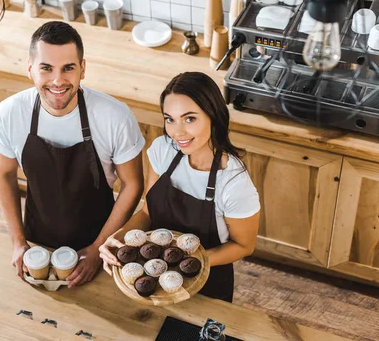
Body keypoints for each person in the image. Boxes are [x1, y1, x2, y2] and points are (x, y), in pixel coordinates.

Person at [0, 21, 145, 288]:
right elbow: (4, 174)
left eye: (68, 68)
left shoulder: (115, 117)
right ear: (30, 69)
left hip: (101, 241)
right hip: (36, 241)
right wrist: (18, 242)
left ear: (82, 69)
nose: (58, 80)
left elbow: (133, 185)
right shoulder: (10, 112)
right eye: (46, 68)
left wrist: (99, 248)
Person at [99, 72, 260, 302]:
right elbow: (148, 212)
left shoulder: (233, 182)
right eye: (170, 119)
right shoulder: (163, 150)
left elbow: (244, 245)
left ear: (213, 116)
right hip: (150, 274)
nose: (177, 132)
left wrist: (192, 264)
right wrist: (117, 238)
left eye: (190, 118)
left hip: (207, 284)